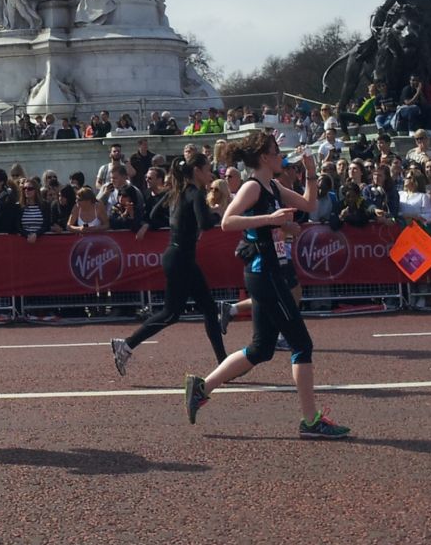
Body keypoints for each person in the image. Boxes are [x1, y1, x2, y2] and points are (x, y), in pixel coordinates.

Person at [182, 132, 351, 438]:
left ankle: (202, 387)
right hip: (264, 272)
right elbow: (227, 222)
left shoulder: (273, 185)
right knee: (302, 344)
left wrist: (311, 170)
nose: (280, 157)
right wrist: (270, 219)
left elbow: (310, 205)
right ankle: (310, 421)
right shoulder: (251, 186)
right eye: (276, 153)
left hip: (270, 271)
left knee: (261, 349)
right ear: (263, 157)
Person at [111, 152, 226, 373]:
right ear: (196, 171)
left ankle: (223, 363)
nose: (210, 173)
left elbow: (154, 213)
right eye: (207, 169)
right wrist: (217, 213)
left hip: (177, 256)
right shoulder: (194, 194)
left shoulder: (176, 192)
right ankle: (125, 344)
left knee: (206, 310)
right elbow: (205, 223)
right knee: (172, 313)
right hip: (181, 259)